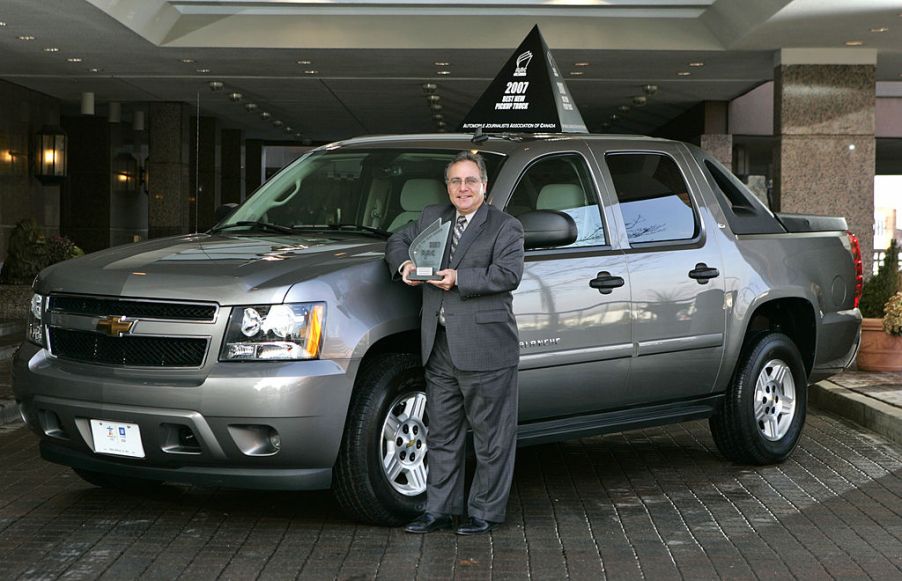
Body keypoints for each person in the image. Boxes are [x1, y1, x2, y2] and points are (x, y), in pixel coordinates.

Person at [385, 151, 525, 535]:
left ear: (483, 186)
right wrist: (406, 266)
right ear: (447, 186)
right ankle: (440, 509)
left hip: (486, 346)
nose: (462, 188)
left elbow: (509, 273)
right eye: (455, 181)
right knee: (443, 434)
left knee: (491, 437)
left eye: (469, 181)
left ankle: (485, 512)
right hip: (440, 344)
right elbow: (398, 239)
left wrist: (460, 279)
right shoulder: (433, 218)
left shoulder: (505, 226)